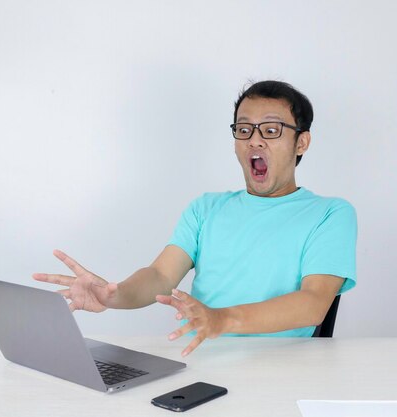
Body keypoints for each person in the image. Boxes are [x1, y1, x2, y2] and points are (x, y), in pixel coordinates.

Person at [33, 80, 357, 357]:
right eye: (244, 130)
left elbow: (314, 303)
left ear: (301, 142)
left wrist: (221, 320)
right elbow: (161, 275)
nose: (254, 140)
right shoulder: (206, 208)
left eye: (271, 130)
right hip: (197, 361)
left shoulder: (330, 213)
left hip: (282, 367)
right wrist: (113, 294)